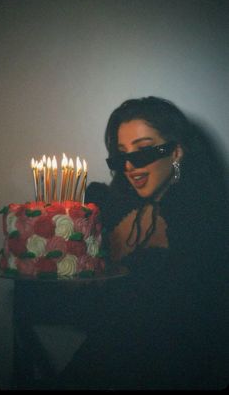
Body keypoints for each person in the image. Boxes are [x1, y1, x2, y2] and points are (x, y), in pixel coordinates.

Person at [51, 96, 228, 390]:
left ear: (177, 151)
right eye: (121, 156)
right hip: (102, 361)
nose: (131, 165)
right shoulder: (111, 211)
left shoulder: (203, 222)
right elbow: (90, 300)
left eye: (144, 151)